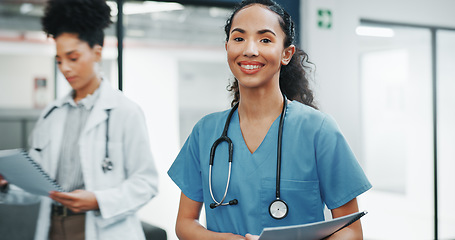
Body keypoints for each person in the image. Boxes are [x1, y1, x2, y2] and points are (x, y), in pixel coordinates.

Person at [167, 0, 372, 239]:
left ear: (286, 53)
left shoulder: (318, 131)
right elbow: (185, 223)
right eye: (239, 38)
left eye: (265, 39)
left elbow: (351, 230)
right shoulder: (205, 132)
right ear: (227, 48)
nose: (250, 49)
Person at [0, 0, 158, 239]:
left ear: (97, 52)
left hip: (102, 228)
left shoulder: (125, 111)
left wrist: (97, 200)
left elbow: (146, 183)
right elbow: (38, 185)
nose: (65, 68)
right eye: (59, 60)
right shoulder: (51, 114)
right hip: (53, 226)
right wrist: (7, 185)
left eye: (73, 58)